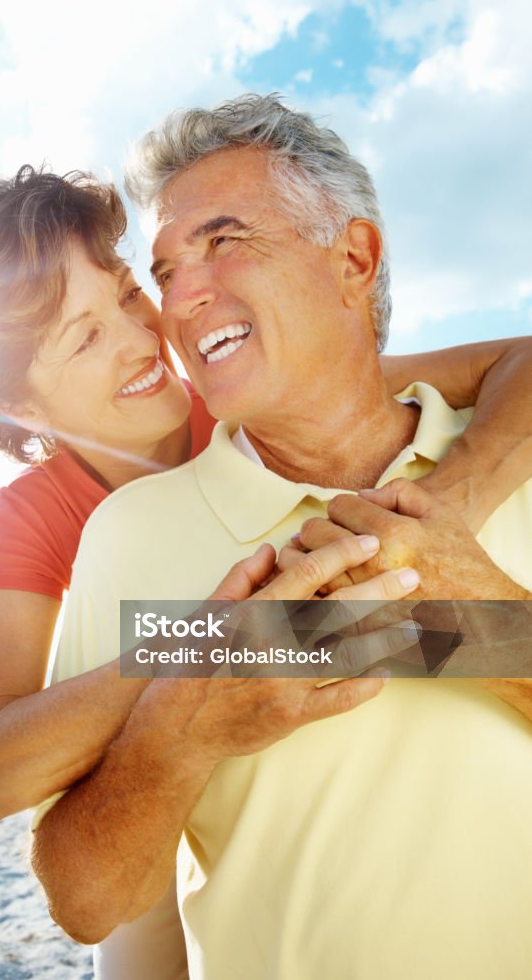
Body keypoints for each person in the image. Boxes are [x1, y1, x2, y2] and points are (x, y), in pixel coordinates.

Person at [31, 95, 532, 980]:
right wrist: (179, 735)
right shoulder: (128, 534)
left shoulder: (515, 456)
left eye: (223, 241)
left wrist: (489, 617)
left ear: (353, 256)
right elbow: (84, 902)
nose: (179, 297)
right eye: (165, 269)